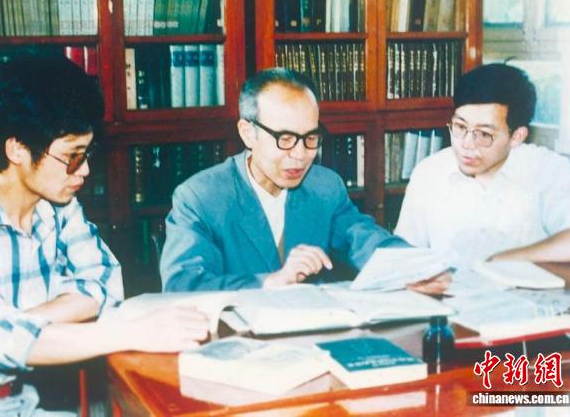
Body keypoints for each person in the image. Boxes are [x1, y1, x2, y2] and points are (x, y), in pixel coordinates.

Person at [0, 54, 209, 416]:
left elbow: (105, 283)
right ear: (17, 150)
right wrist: (137, 333)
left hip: (21, 402)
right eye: (72, 156)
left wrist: (14, 328)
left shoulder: (60, 207)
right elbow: (2, 336)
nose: (85, 170)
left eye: (87, 153)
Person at [160, 68, 449, 293]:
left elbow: (364, 238)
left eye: (311, 138)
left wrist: (415, 268)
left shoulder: (324, 187)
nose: (300, 155)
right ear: (248, 133)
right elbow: (182, 285)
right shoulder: (201, 197)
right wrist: (270, 282)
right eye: (285, 139)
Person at [395, 63, 570, 267]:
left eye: (484, 134)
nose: (467, 143)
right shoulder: (428, 174)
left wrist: (498, 261)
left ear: (517, 137)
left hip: (521, 287)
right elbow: (403, 258)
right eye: (460, 126)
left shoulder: (546, 169)